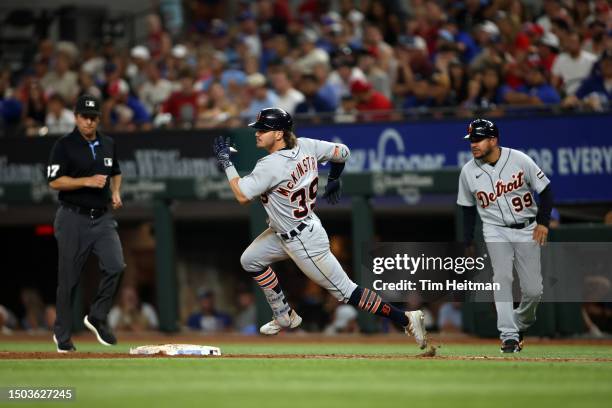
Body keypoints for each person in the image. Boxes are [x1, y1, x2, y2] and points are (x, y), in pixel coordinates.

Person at [212, 107, 427, 349]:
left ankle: (406, 317)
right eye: (257, 129)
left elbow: (241, 195)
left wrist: (226, 163)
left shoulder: (270, 164)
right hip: (290, 229)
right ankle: (284, 315)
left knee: (346, 292)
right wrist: (335, 177)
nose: (257, 133)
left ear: (280, 134)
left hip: (303, 240)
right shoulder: (306, 145)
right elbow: (342, 153)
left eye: (263, 130)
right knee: (250, 260)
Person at [457, 119, 553, 353]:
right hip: (494, 228)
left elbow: (546, 191)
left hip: (527, 227)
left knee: (533, 290)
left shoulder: (519, 160)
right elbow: (467, 209)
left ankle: (519, 323)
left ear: (493, 140)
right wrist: (467, 240)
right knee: (502, 277)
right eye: (472, 140)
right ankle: (508, 336)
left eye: (478, 140)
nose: (474, 145)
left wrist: (543, 223)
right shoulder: (468, 171)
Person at [47, 94, 125, 353]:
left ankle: (97, 316)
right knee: (68, 279)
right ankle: (62, 336)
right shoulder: (64, 145)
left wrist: (115, 192)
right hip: (72, 216)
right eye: (85, 117)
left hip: (101, 217)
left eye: (93, 117)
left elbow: (116, 172)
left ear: (98, 118)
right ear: (76, 117)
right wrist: (86, 181)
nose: (89, 122)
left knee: (115, 265)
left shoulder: (109, 143)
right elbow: (54, 181)